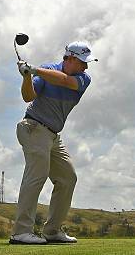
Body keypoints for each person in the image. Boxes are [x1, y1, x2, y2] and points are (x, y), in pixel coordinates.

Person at [9, 41, 97, 245]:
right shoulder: (48, 70)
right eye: (83, 62)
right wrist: (27, 77)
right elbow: (27, 96)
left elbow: (65, 82)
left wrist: (33, 69)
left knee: (68, 178)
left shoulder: (83, 79)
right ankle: (21, 232)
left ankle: (52, 230)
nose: (86, 67)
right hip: (33, 127)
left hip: (53, 135)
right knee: (36, 177)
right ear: (70, 59)